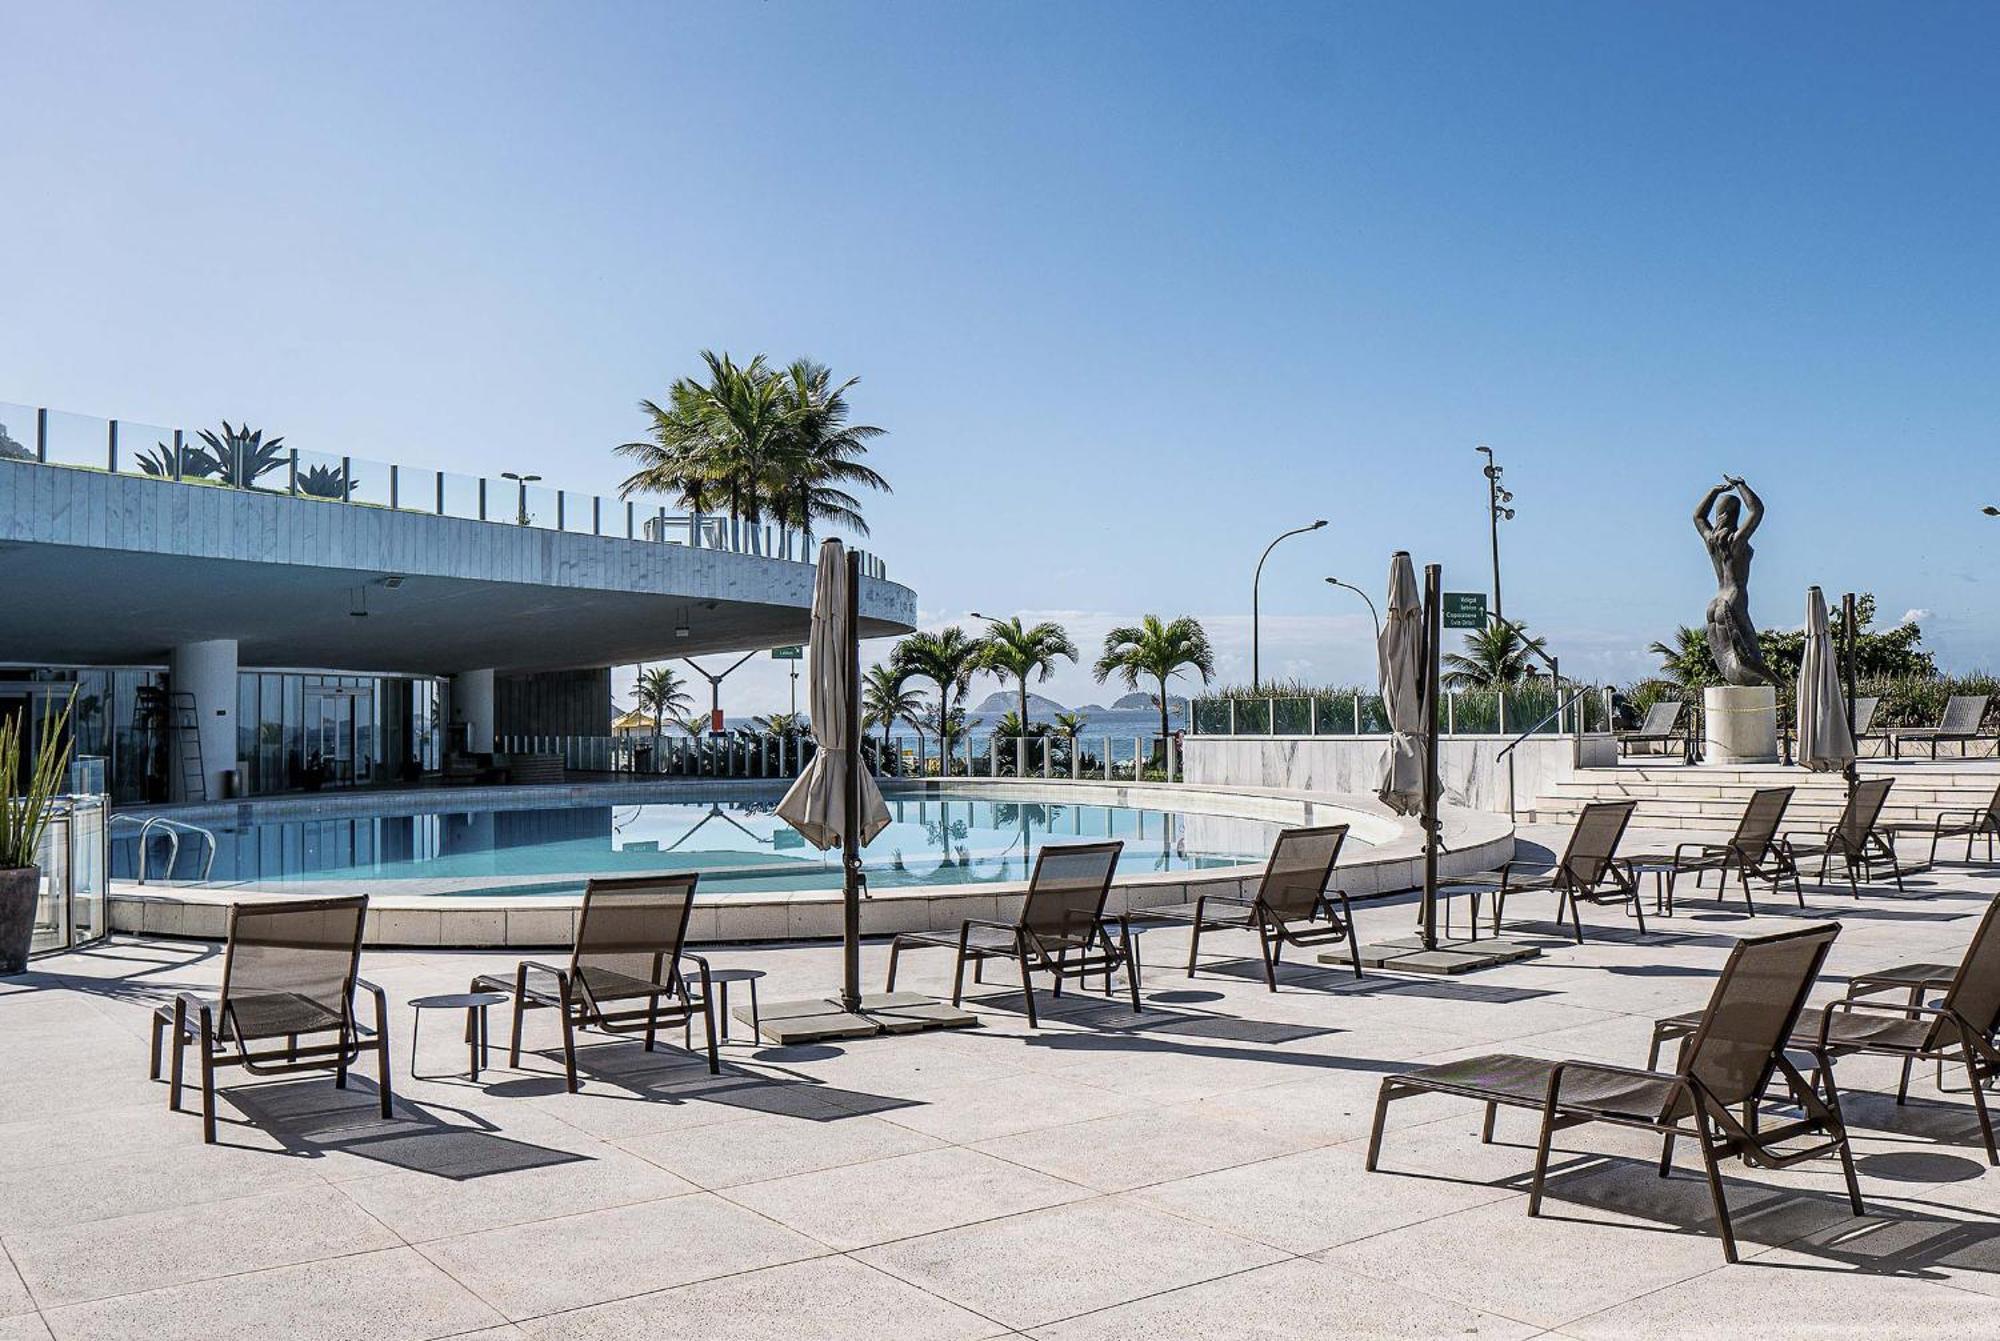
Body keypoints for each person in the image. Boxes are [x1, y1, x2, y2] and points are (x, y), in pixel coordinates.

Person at [1692, 475, 1775, 687]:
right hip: (1734, 596)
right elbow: (1757, 510)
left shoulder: (1712, 540)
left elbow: (1698, 517)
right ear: (1734, 514)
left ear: (1719, 514)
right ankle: (1755, 681)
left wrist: (1714, 491)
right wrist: (1741, 485)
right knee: (1751, 650)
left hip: (1716, 601)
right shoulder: (1737, 540)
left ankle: (1739, 681)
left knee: (1727, 655)